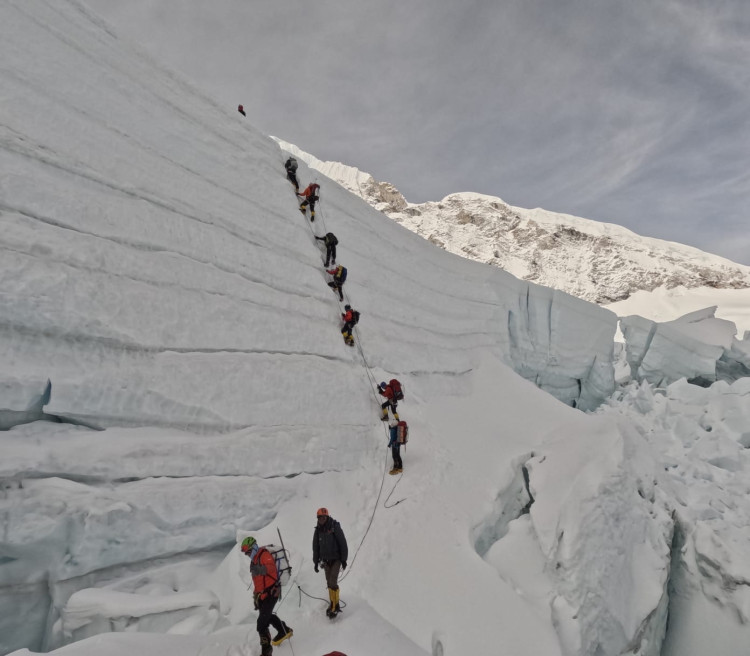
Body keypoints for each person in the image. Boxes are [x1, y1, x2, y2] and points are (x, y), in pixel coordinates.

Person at [241, 536, 293, 655]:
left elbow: (272, 569)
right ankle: (284, 630)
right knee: (267, 616)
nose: (247, 555)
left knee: (261, 624)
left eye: (248, 552)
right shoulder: (253, 561)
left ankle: (267, 650)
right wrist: (255, 596)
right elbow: (257, 581)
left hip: (272, 592)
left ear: (253, 547)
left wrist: (261, 569)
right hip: (262, 595)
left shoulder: (264, 555)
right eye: (246, 553)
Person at [312, 508, 348, 618]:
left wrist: (343, 559)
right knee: (329, 582)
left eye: (324, 517)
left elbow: (343, 542)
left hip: (336, 559)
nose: (322, 519)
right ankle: (332, 603)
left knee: (333, 582)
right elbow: (315, 547)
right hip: (325, 561)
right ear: (318, 518)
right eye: (320, 517)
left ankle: (335, 606)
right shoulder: (318, 530)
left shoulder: (334, 526)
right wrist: (316, 561)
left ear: (327, 517)